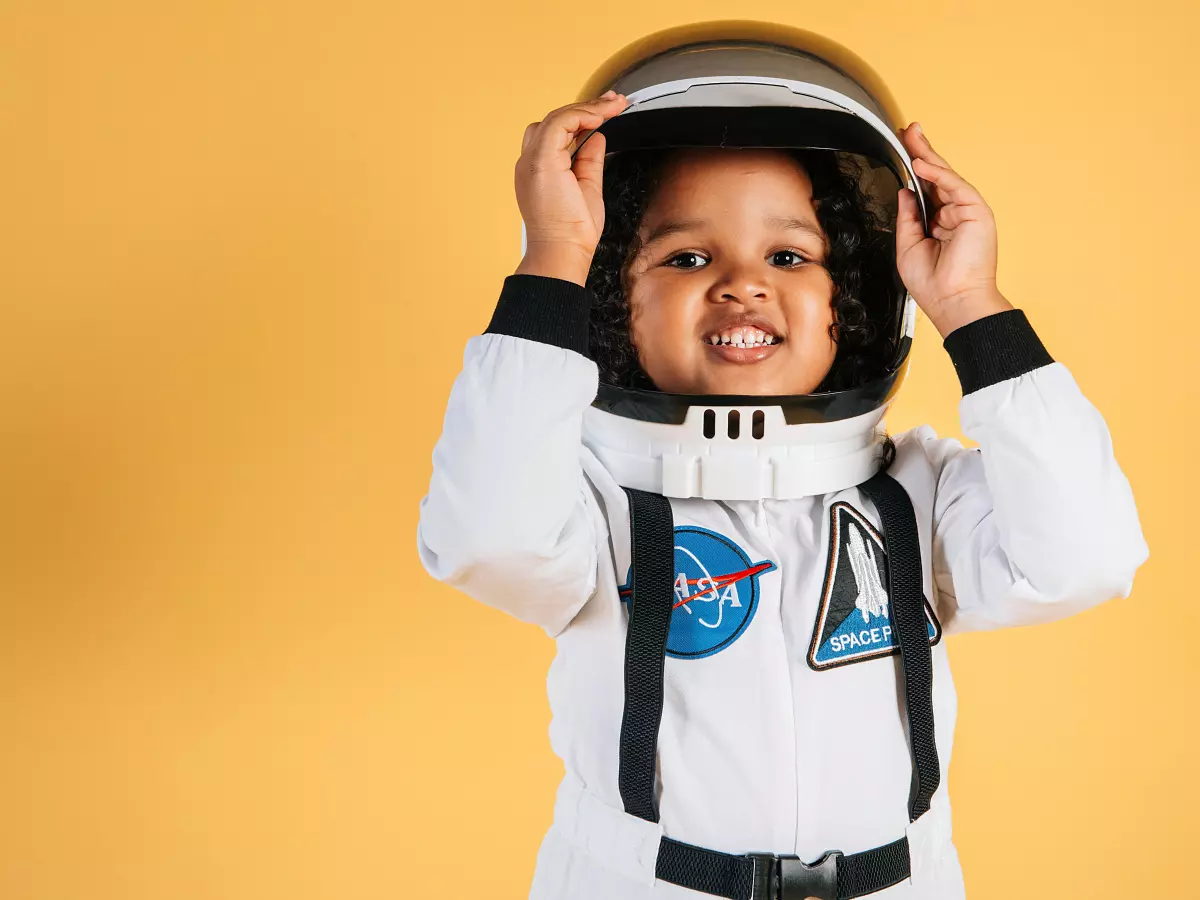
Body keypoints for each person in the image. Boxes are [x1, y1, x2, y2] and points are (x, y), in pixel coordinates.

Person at [416, 90, 1149, 899]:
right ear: (609, 305)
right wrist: (553, 252)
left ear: (855, 302)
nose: (742, 286)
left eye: (791, 257)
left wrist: (973, 305)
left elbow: (1086, 555)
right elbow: (487, 536)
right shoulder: (588, 498)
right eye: (687, 258)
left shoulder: (914, 494)